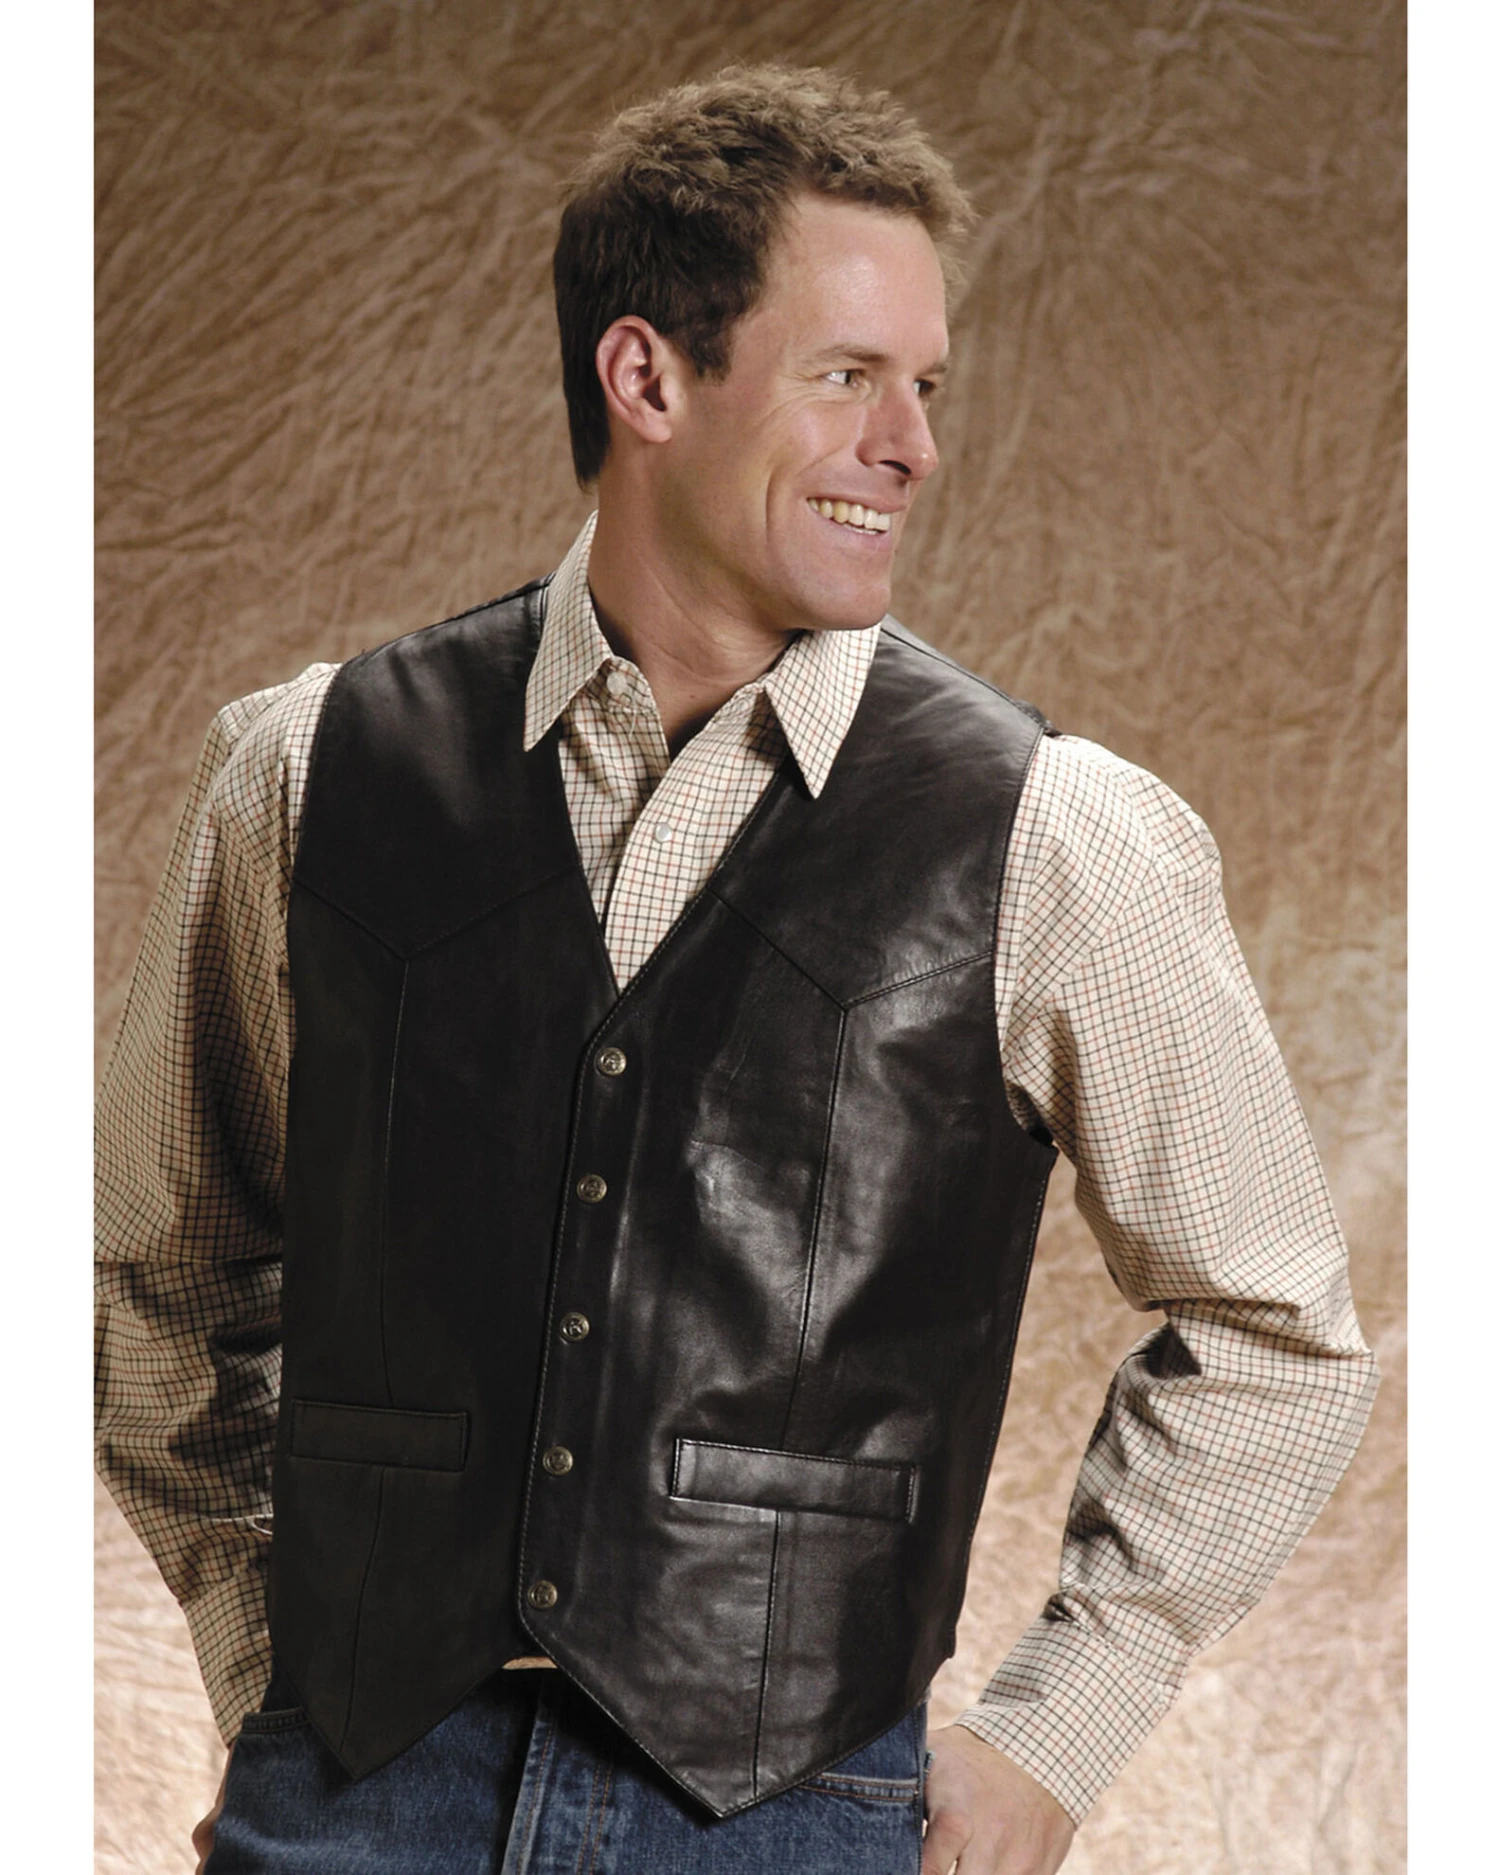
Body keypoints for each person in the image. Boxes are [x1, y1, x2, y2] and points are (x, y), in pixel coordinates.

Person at [95, 63, 1378, 1875]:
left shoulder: (1055, 833)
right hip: (357, 1797)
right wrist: (266, 1664)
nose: (913, 445)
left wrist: (1055, 1729)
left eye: (927, 387)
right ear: (647, 379)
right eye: (848, 376)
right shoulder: (306, 771)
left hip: (786, 1820)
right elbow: (157, 1272)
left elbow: (1275, 1332)